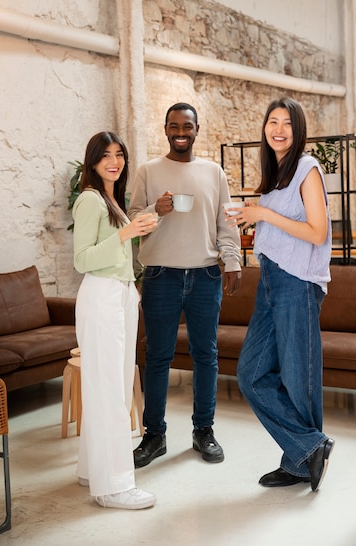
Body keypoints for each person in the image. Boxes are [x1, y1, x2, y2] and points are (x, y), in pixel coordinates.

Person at [128, 102, 241, 468]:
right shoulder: (148, 171)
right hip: (161, 274)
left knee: (206, 355)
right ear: (165, 130)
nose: (181, 132)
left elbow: (227, 222)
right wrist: (153, 211)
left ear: (196, 129)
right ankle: (154, 435)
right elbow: (130, 220)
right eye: (174, 126)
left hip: (206, 274)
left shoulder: (214, 171)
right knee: (157, 356)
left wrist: (233, 261)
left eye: (187, 126)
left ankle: (203, 431)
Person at [232, 97, 334, 492]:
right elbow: (281, 230)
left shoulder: (308, 169)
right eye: (272, 122)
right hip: (272, 280)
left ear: (298, 129)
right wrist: (252, 215)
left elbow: (317, 232)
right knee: (251, 373)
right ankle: (308, 447)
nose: (277, 129)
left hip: (298, 283)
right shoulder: (275, 177)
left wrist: (263, 215)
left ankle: (299, 461)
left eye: (286, 123)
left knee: (298, 377)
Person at [73, 131, 158, 510]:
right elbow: (82, 260)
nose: (115, 161)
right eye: (106, 155)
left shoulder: (112, 199)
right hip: (102, 295)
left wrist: (135, 232)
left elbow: (118, 252)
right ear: (92, 161)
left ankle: (93, 470)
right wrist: (127, 232)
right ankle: (114, 487)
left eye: (120, 154)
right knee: (109, 391)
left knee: (115, 387)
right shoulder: (90, 200)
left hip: (120, 294)